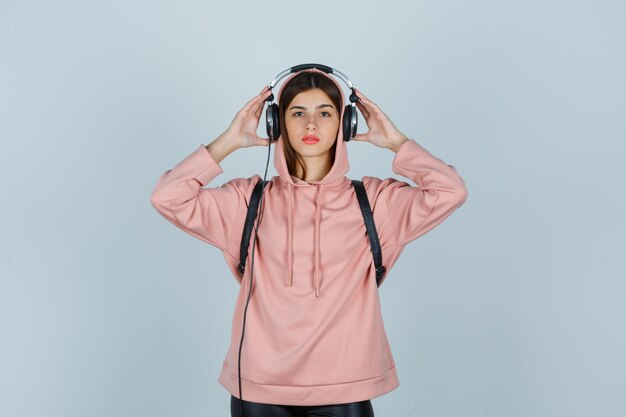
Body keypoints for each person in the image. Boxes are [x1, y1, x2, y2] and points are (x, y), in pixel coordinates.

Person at [150, 68, 468, 417]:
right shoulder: (247, 201)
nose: (311, 124)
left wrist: (397, 142)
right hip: (258, 389)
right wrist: (227, 141)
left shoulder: (377, 203)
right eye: (297, 112)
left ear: (345, 124)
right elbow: (168, 197)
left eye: (325, 113)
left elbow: (450, 191)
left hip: (345, 388)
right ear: (277, 123)